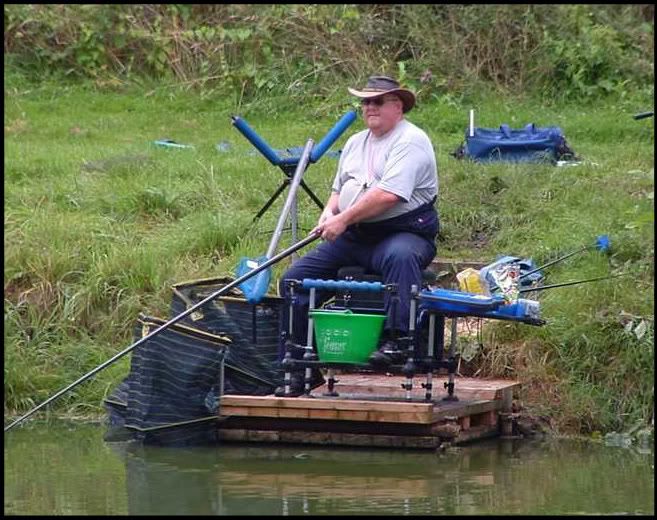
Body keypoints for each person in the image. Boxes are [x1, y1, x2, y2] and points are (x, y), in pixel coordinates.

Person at [279, 74, 439, 375]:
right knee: (294, 280)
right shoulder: (354, 143)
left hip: (403, 231)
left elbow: (389, 195)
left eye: (377, 101)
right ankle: (299, 360)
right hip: (356, 235)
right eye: (365, 101)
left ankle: (397, 341)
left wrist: (342, 219)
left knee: (400, 257)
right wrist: (329, 212)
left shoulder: (411, 141)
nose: (369, 107)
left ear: (398, 106)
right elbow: (340, 189)